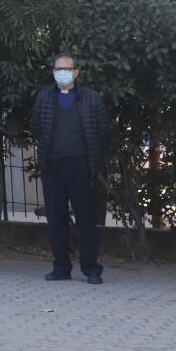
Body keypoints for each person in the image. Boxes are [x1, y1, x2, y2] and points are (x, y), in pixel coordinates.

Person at [31, 52, 110, 285]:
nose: (62, 73)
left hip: (82, 167)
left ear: (76, 72)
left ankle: (92, 269)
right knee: (56, 219)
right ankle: (61, 267)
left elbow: (104, 131)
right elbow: (37, 127)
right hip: (52, 166)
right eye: (57, 69)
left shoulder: (91, 98)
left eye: (66, 69)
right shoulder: (44, 97)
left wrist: (91, 157)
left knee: (86, 219)